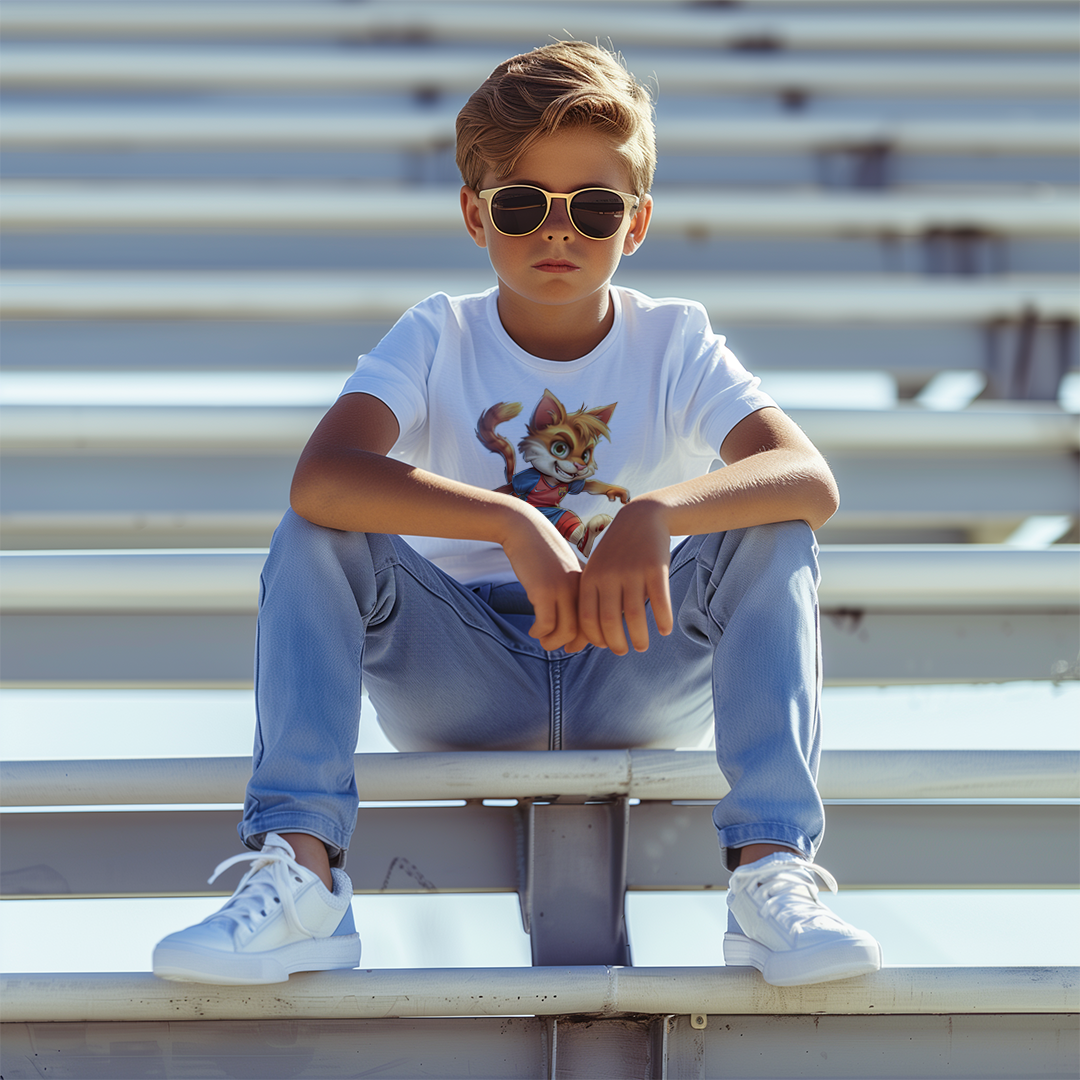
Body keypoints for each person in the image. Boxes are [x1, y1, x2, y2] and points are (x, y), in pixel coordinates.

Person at [152, 40, 882, 989]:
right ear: (475, 214)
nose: (559, 231)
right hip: (464, 672)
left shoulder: (675, 340)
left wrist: (654, 515)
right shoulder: (436, 335)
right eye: (524, 204)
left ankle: (771, 867)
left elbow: (806, 477)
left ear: (638, 224)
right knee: (318, 535)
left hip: (629, 663)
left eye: (595, 207)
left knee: (772, 528)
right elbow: (321, 477)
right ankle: (304, 872)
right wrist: (514, 525)